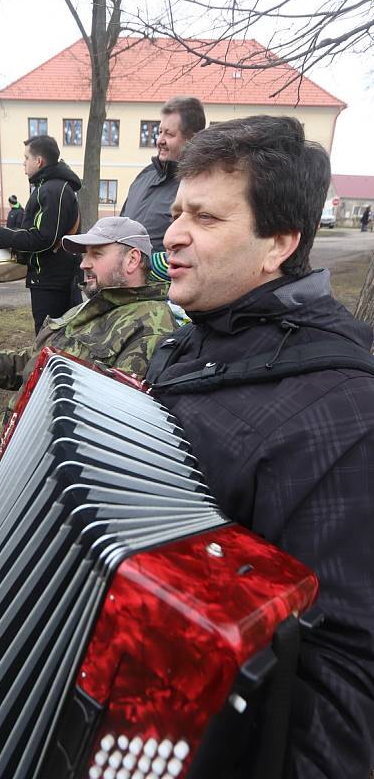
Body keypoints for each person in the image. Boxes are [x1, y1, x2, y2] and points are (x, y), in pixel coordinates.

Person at [146, 115, 374, 778]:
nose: (173, 233)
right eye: (176, 211)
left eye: (206, 218)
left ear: (278, 242)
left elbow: (349, 680)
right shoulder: (195, 339)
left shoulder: (342, 416)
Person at [0, 217, 176, 573]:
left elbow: (105, 430)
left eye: (96, 253)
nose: (83, 263)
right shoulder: (89, 306)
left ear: (131, 261)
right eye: (84, 254)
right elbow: (36, 365)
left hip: (45, 461)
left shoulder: (150, 326)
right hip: (13, 433)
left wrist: (14, 453)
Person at [0, 135, 81, 334]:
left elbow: (44, 238)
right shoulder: (50, 187)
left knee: (47, 339)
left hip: (52, 281)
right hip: (52, 279)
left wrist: (4, 236)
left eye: (26, 158)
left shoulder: (52, 189)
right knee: (55, 338)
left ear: (38, 161)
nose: (23, 163)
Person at [121, 96, 206, 281]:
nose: (160, 140)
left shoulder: (200, 184)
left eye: (169, 134)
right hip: (125, 288)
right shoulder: (144, 177)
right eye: (159, 132)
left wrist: (148, 266)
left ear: (191, 139)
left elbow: (199, 250)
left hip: (167, 295)